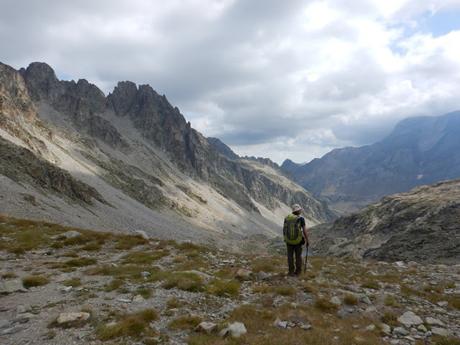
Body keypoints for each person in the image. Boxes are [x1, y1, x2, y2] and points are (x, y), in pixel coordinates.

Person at [283, 204, 309, 276]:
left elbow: (284, 229)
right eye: (300, 210)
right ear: (298, 211)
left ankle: (291, 272)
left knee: (290, 256)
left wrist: (285, 239)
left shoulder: (287, 218)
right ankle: (298, 272)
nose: (300, 211)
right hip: (298, 241)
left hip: (288, 241)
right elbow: (304, 230)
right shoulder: (301, 219)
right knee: (298, 256)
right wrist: (307, 240)